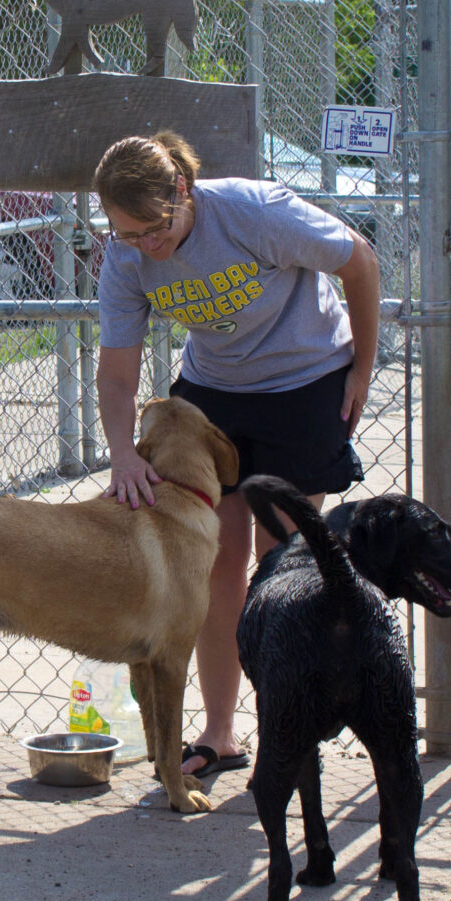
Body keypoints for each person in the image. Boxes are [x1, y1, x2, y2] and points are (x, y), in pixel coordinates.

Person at [94, 131, 381, 779]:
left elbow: (358, 260)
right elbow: (116, 375)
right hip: (214, 394)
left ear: (184, 192)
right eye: (127, 233)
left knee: (277, 563)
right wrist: (120, 451)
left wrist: (363, 366)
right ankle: (219, 734)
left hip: (303, 380)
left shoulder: (253, 212)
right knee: (212, 562)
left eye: (154, 227)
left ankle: (287, 730)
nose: (146, 245)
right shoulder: (125, 257)